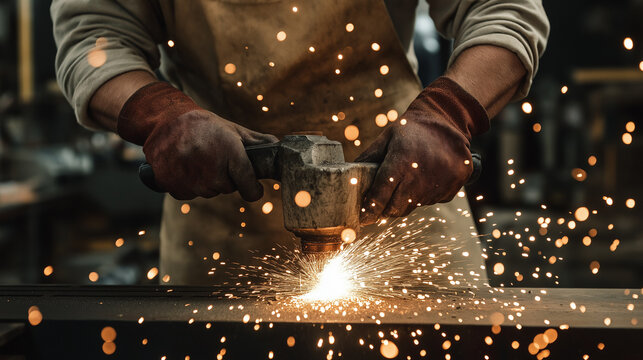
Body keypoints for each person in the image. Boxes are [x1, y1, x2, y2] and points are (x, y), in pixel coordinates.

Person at [51, 0, 549, 286]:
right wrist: (160, 116)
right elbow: (94, 38)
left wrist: (448, 114)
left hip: (403, 194)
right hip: (223, 219)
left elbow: (504, 7)